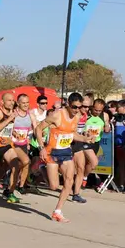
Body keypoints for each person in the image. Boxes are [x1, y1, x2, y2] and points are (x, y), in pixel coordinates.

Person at [35, 93, 87, 223]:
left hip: (66, 152)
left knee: (69, 180)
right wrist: (41, 147)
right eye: (74, 107)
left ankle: (57, 211)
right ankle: (42, 169)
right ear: (68, 104)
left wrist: (85, 139)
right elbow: (38, 129)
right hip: (52, 152)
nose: (76, 110)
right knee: (53, 186)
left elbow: (72, 134)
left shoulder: (77, 117)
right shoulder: (57, 115)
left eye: (79, 107)